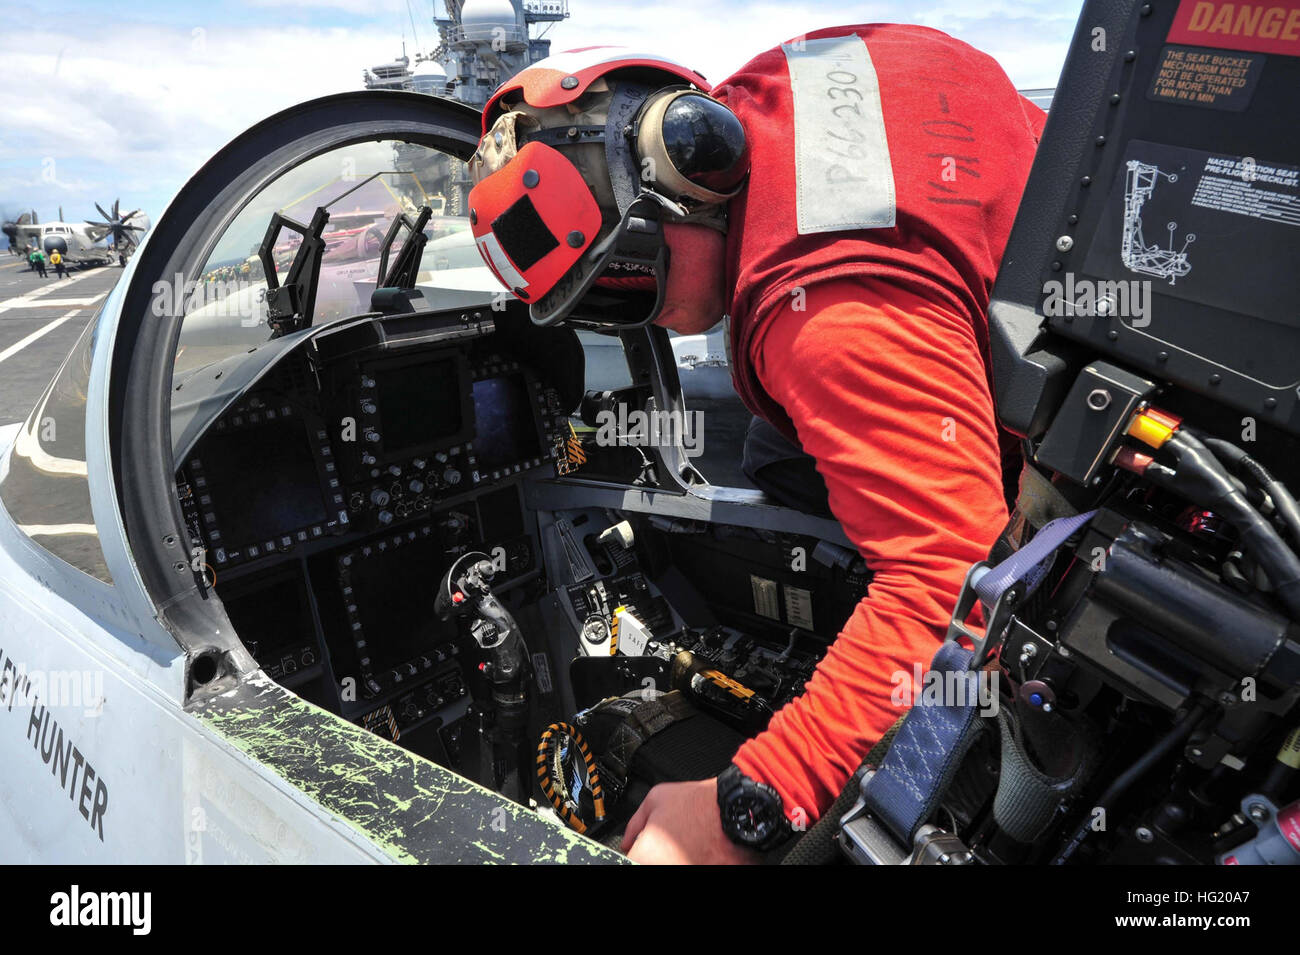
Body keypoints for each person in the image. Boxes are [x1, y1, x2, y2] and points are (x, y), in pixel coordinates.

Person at [467, 24, 1045, 863]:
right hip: (1050, 337)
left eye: (626, 292)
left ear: (678, 184)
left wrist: (744, 805)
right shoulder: (784, 84)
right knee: (780, 448)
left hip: (1119, 479)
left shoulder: (815, 308)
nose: (644, 315)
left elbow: (957, 579)